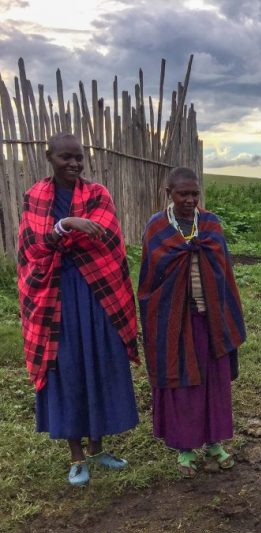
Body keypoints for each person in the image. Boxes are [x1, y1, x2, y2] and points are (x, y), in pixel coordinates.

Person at [17, 133, 139, 487]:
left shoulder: (98, 194)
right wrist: (66, 225)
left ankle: (99, 447)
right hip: (55, 299)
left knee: (98, 362)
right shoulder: (35, 198)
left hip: (97, 295)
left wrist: (62, 237)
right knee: (66, 368)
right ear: (49, 158)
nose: (73, 164)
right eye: (66, 157)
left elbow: (106, 239)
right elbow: (33, 251)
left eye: (79, 158)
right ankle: (76, 456)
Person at [138, 167, 246, 478]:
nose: (189, 199)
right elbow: (149, 279)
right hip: (174, 320)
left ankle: (214, 443)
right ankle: (185, 449)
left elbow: (223, 272)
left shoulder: (210, 223)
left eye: (194, 194)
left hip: (210, 318)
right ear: (168, 193)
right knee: (183, 382)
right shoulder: (157, 227)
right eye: (182, 193)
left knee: (214, 381)